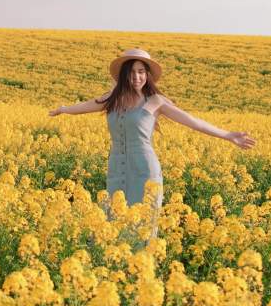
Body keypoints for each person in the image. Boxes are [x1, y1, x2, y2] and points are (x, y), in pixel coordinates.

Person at [48, 48, 256, 240]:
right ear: (123, 76)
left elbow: (194, 122)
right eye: (131, 72)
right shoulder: (112, 98)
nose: (136, 77)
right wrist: (64, 109)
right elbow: (86, 106)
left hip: (144, 170)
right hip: (117, 168)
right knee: (113, 222)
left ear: (147, 75)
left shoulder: (155, 101)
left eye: (141, 72)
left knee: (142, 226)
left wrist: (228, 135)